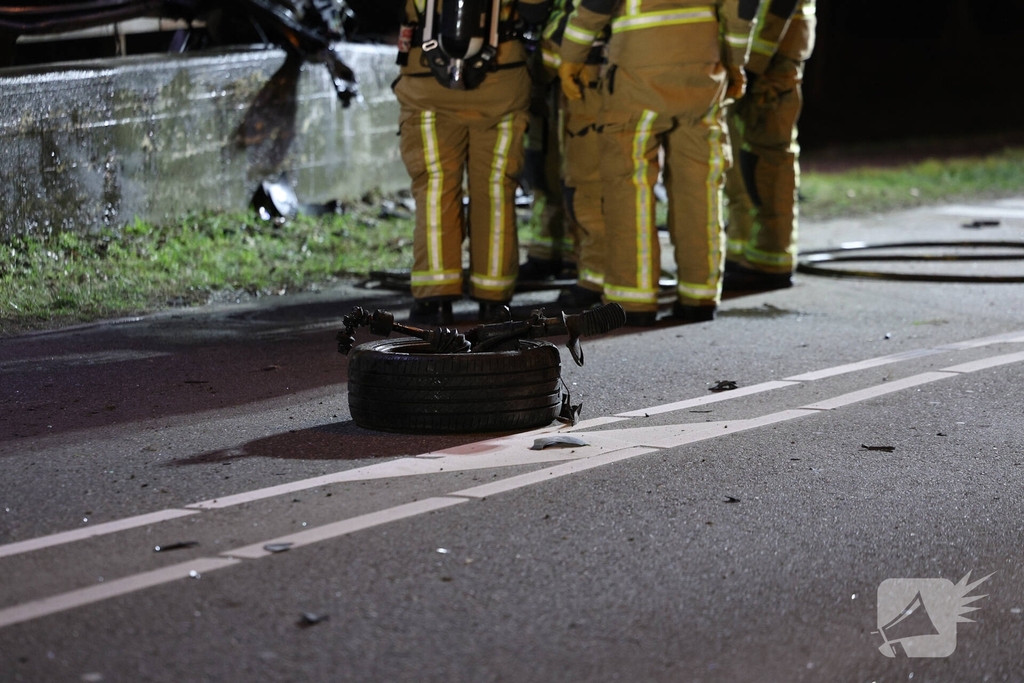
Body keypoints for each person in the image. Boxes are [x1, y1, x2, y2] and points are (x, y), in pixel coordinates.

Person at [559, 0, 758, 326]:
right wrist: (736, 63)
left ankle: (632, 300)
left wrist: (571, 56)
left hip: (639, 69)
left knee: (629, 182)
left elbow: (595, 5)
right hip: (704, 68)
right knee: (700, 183)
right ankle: (700, 296)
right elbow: (742, 9)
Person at [394, 0, 552, 324]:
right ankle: (494, 300)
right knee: (495, 189)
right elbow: (537, 11)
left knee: (436, 184)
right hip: (501, 81)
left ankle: (435, 298)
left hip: (426, 81)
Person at [723, 0, 816, 291]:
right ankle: (744, 251)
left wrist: (752, 62)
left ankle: (770, 260)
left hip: (772, 59)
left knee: (769, 161)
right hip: (755, 57)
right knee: (742, 158)